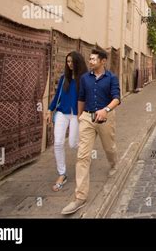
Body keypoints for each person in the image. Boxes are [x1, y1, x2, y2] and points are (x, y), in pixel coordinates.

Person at [61, 48, 121, 215]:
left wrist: (106, 110)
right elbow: (81, 97)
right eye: (90, 59)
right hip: (87, 118)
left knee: (109, 147)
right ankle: (79, 197)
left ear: (103, 61)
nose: (91, 61)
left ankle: (114, 163)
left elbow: (117, 98)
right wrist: (80, 116)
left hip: (105, 117)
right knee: (82, 156)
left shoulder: (111, 78)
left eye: (94, 59)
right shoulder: (85, 78)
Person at [46, 52, 88, 192]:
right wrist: (49, 110)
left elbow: (87, 98)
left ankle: (85, 155)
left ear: (78, 62)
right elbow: (57, 96)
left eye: (72, 62)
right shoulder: (64, 78)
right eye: (67, 62)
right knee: (58, 143)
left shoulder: (85, 79)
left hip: (76, 115)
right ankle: (62, 174)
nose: (69, 64)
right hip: (61, 113)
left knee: (73, 144)